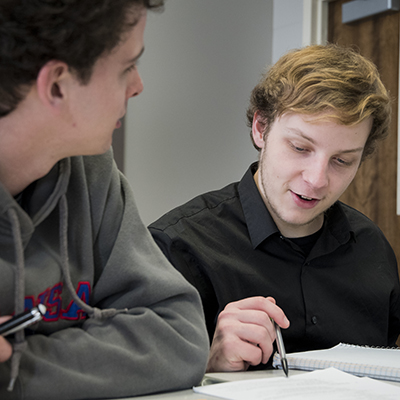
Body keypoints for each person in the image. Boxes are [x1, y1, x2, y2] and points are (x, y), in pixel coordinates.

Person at [0, 1, 209, 399]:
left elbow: (179, 337)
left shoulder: (90, 170)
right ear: (58, 84)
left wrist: (13, 371)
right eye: (127, 66)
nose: (138, 85)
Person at [149, 44, 400, 373]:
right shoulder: (177, 248)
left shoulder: (371, 247)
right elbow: (128, 378)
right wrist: (205, 358)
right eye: (300, 147)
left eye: (342, 160)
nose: (316, 179)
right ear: (260, 128)